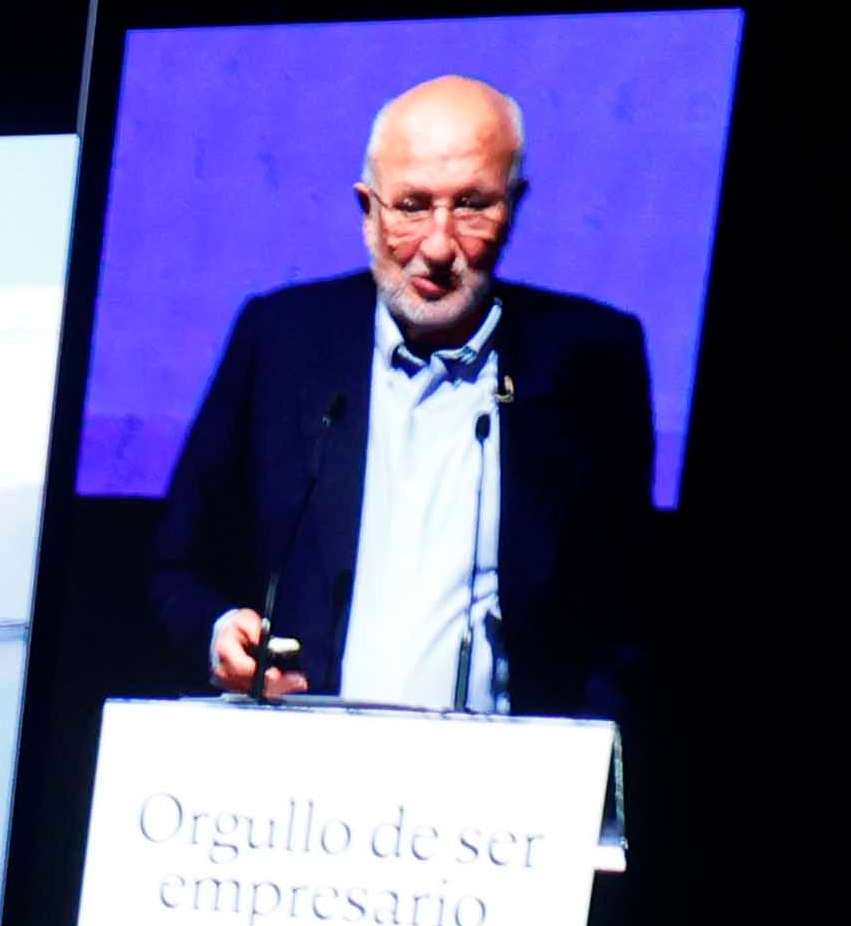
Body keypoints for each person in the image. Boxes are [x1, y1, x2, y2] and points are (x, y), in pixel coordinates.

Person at [147, 65, 659, 730]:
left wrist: (578, 758)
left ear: (515, 204)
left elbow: (629, 611)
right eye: (412, 206)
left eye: (472, 204)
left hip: (509, 779)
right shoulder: (280, 340)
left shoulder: (593, 359)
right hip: (295, 765)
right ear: (369, 210)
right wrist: (220, 632)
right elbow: (178, 565)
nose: (440, 246)